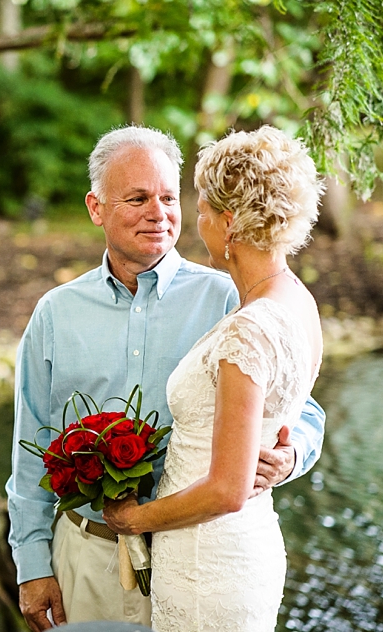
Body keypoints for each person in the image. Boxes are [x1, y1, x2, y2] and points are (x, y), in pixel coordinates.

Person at [6, 125, 325, 631]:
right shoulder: (54, 314)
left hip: (194, 554)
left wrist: (290, 456)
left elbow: (301, 407)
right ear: (96, 208)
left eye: (170, 197)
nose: (159, 212)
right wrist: (32, 566)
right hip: (86, 557)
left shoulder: (232, 301)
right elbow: (31, 443)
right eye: (137, 198)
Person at [102, 126, 324, 630]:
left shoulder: (248, 329)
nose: (193, 222)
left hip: (208, 560)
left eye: (199, 211)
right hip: (245, 546)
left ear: (228, 223)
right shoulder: (298, 303)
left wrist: (134, 520)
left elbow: (227, 488)